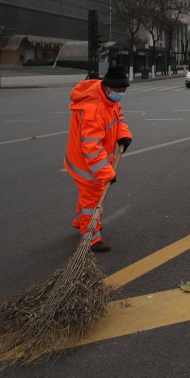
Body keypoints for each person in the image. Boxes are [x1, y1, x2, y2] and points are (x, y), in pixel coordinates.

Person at [63, 65, 133, 252]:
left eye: (124, 90)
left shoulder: (108, 99)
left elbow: (119, 118)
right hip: (86, 165)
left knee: (88, 197)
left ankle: (80, 222)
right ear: (108, 87)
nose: (121, 94)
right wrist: (106, 173)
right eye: (119, 91)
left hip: (91, 161)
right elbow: (91, 148)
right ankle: (91, 238)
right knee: (93, 200)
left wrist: (123, 135)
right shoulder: (93, 110)